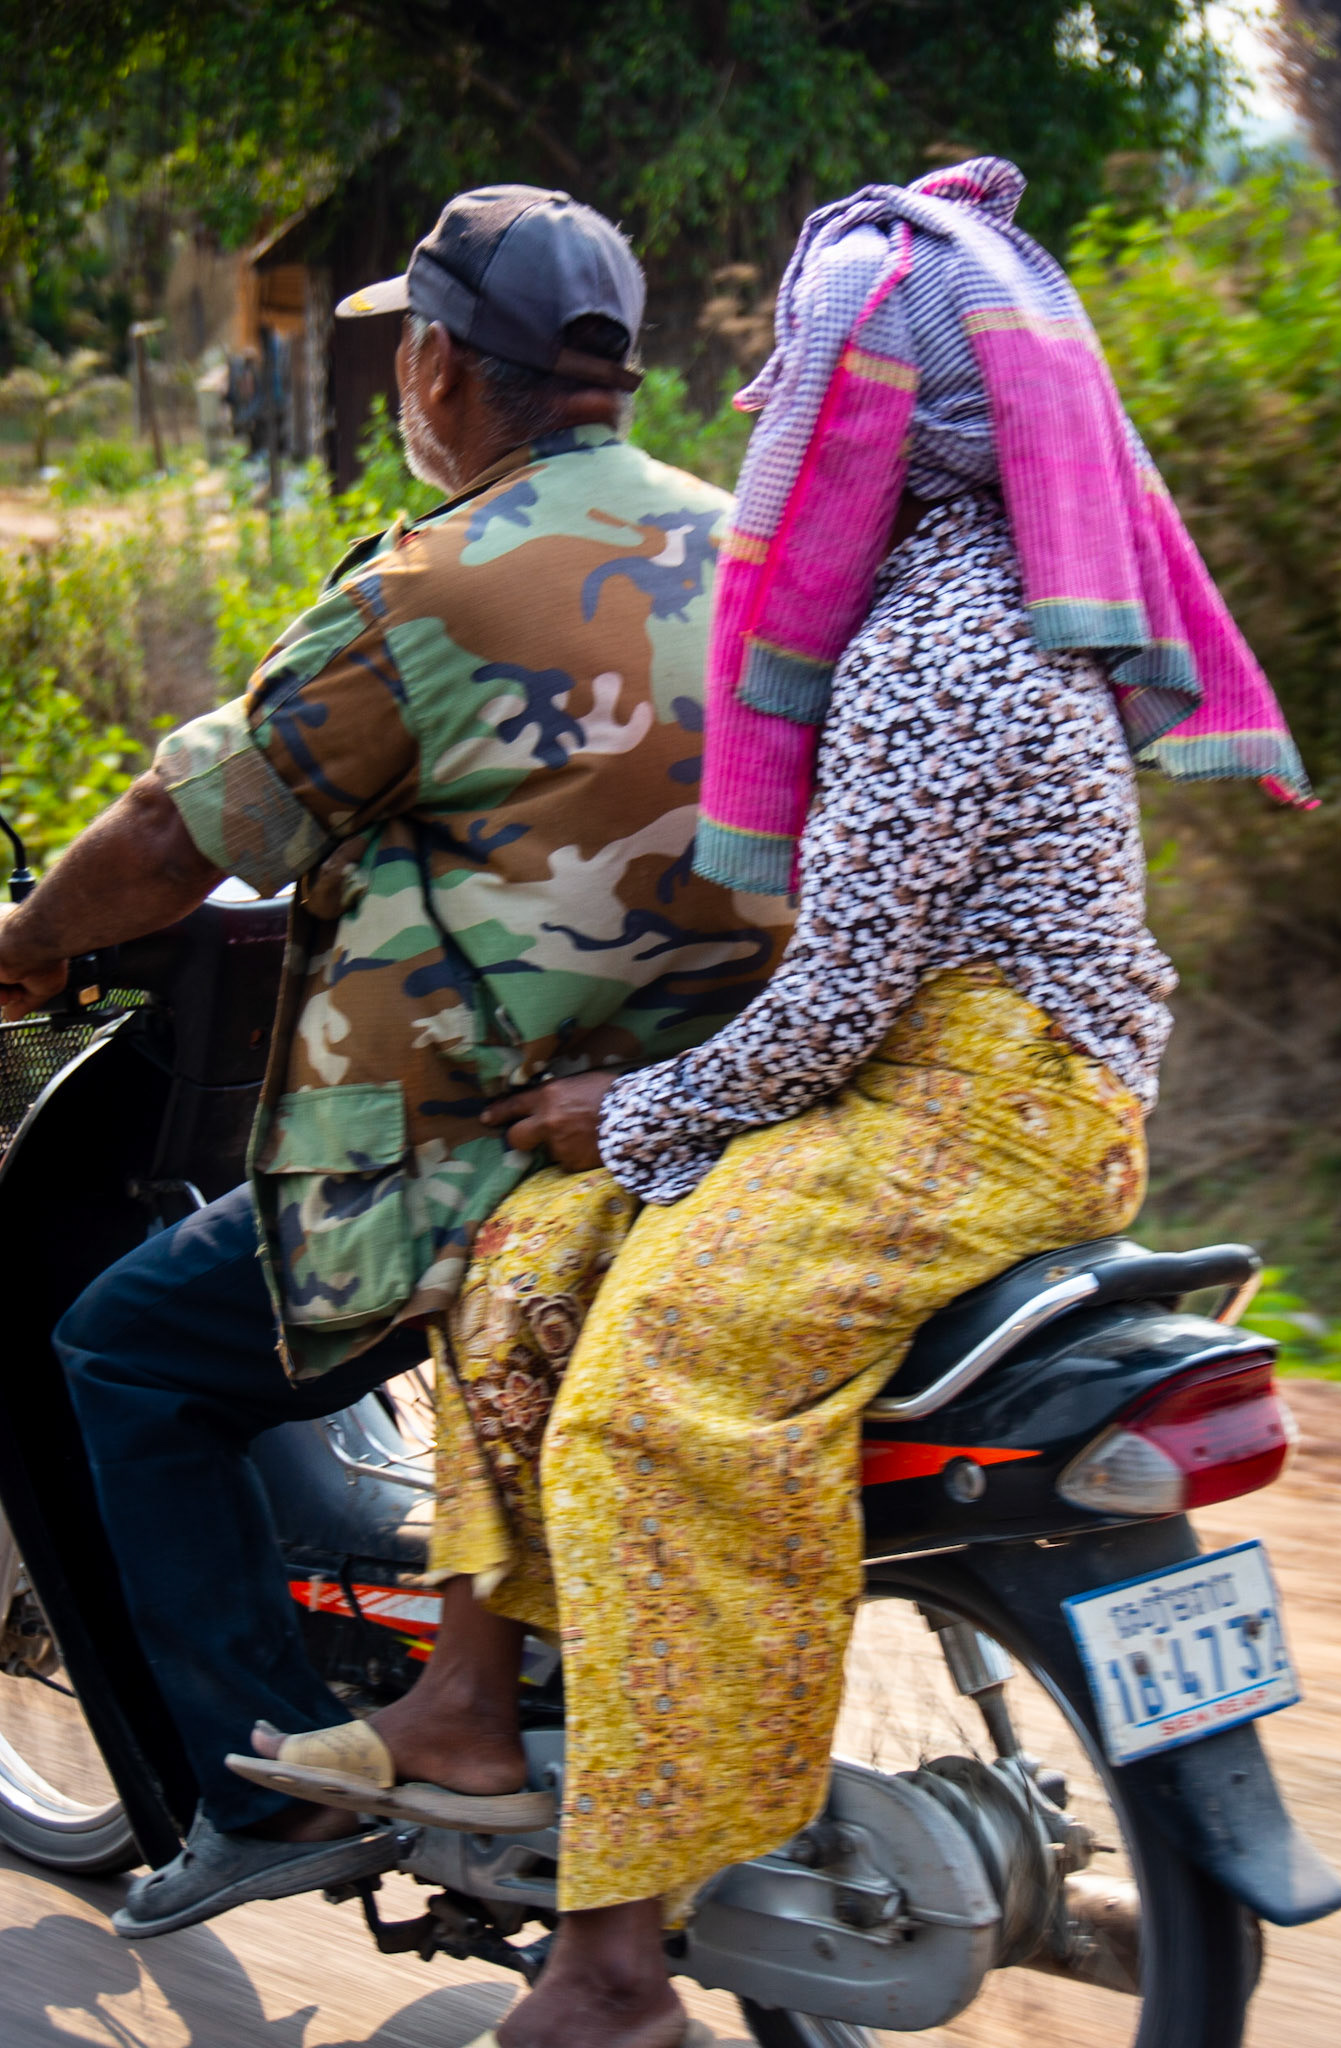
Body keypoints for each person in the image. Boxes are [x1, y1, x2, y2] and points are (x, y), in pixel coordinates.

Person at [240, 158, 1312, 2048]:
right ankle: (471, 1709)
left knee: (661, 1382)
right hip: (902, 1081)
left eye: (804, 400)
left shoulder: (944, 643)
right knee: (535, 1251)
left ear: (874, 421)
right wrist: (617, 1136)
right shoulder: (915, 604)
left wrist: (636, 1112)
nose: (776, 436)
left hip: (981, 1102)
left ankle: (612, 1969)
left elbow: (830, 1006)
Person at [0, 185, 791, 1938]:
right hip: (726, 1125)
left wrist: (28, 945)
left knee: (122, 1350)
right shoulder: (746, 543)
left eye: (404, 352)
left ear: (433, 364)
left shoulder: (426, 586)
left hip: (469, 1151)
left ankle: (253, 1782)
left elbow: (179, 825)